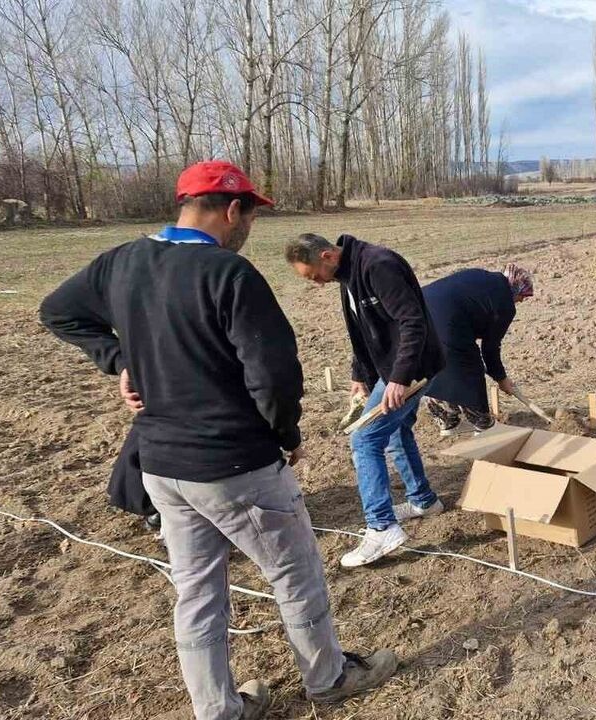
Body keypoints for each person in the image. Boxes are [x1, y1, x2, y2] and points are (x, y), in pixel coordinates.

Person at [39, 161, 397, 720]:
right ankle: (328, 677)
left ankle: (217, 709)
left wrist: (118, 360)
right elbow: (273, 373)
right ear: (232, 210)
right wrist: (284, 435)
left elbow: (57, 311)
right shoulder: (229, 273)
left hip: (160, 466)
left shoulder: (120, 262)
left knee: (197, 591)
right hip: (235, 463)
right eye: (250, 216)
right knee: (295, 572)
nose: (249, 227)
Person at [285, 232, 446, 568]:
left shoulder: (378, 265)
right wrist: (359, 375)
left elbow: (412, 321)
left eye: (314, 276)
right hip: (394, 370)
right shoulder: (348, 274)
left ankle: (382, 527)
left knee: (364, 439)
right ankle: (424, 500)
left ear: (327, 256)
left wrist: (399, 379)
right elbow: (361, 332)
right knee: (396, 432)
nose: (317, 284)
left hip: (413, 369)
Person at [422, 264, 534, 436]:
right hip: (447, 322)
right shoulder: (504, 303)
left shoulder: (482, 277)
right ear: (516, 288)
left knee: (436, 363)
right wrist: (501, 379)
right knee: (470, 367)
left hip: (418, 312)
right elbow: (490, 348)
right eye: (522, 296)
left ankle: (448, 420)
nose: (521, 301)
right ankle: (482, 424)